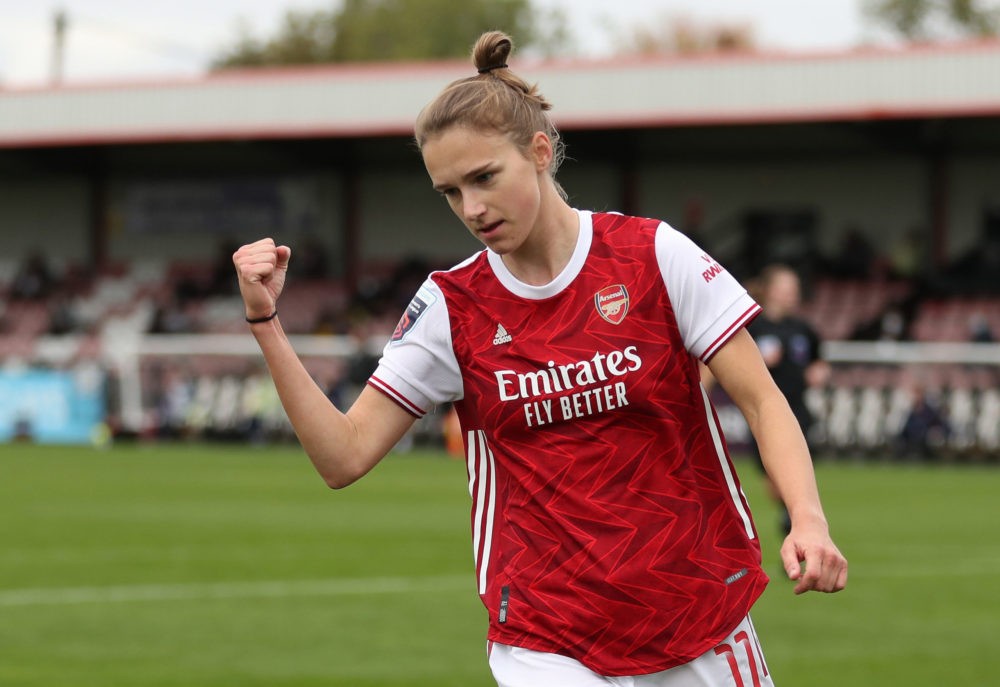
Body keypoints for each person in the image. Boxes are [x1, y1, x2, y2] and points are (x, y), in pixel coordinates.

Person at [232, 31, 847, 687]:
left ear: (540, 151)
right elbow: (343, 456)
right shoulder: (451, 306)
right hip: (545, 640)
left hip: (698, 612)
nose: (471, 208)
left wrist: (808, 520)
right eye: (449, 191)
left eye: (484, 178)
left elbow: (762, 399)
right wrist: (266, 322)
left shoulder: (655, 256)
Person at [746, 264, 830, 536]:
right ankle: (788, 509)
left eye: (794, 290)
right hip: (763, 410)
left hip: (798, 409)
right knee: (771, 475)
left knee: (796, 466)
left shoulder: (803, 328)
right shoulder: (752, 327)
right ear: (770, 291)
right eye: (785, 289)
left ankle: (794, 515)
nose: (791, 295)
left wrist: (819, 370)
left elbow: (819, 359)